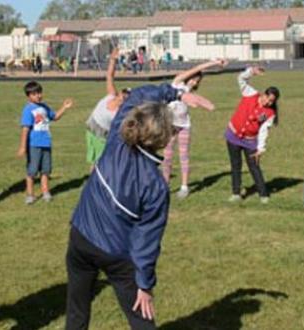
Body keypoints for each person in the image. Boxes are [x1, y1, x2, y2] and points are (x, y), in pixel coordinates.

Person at [66, 82, 213, 330]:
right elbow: (147, 240)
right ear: (164, 138)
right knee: (141, 320)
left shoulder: (116, 140)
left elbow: (139, 94)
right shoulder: (156, 186)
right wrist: (144, 285)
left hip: (80, 237)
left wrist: (177, 93)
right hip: (116, 254)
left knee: (76, 312)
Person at [161, 59, 225, 198]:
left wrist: (205, 104)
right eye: (194, 79)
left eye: (198, 81)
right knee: (167, 157)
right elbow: (197, 67)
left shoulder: (190, 92)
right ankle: (165, 186)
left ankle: (184, 187)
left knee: (184, 156)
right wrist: (214, 62)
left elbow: (200, 103)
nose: (195, 83)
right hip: (170, 125)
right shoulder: (177, 83)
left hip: (184, 126)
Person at [225, 65, 280, 204]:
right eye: (268, 98)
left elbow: (263, 131)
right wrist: (251, 72)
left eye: (272, 101)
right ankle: (236, 193)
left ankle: (263, 194)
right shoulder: (250, 94)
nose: (268, 102)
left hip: (250, 141)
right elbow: (241, 79)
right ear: (264, 94)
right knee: (235, 165)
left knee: (254, 166)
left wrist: (260, 148)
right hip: (233, 135)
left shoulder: (270, 113)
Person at [18, 81, 74, 204]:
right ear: (28, 96)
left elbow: (55, 117)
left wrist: (64, 107)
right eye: (34, 94)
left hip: (46, 143)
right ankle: (30, 194)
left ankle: (45, 192)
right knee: (32, 171)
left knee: (46, 170)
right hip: (34, 145)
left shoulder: (44, 107)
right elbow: (25, 128)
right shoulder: (28, 110)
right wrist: (22, 146)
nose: (38, 96)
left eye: (39, 93)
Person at [85, 47, 130, 172]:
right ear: (120, 93)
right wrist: (112, 60)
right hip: (91, 130)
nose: (124, 96)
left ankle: (97, 182)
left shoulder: (121, 113)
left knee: (100, 162)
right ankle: (94, 182)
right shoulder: (111, 94)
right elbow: (109, 76)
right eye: (124, 93)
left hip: (102, 136)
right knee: (93, 159)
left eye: (127, 96)